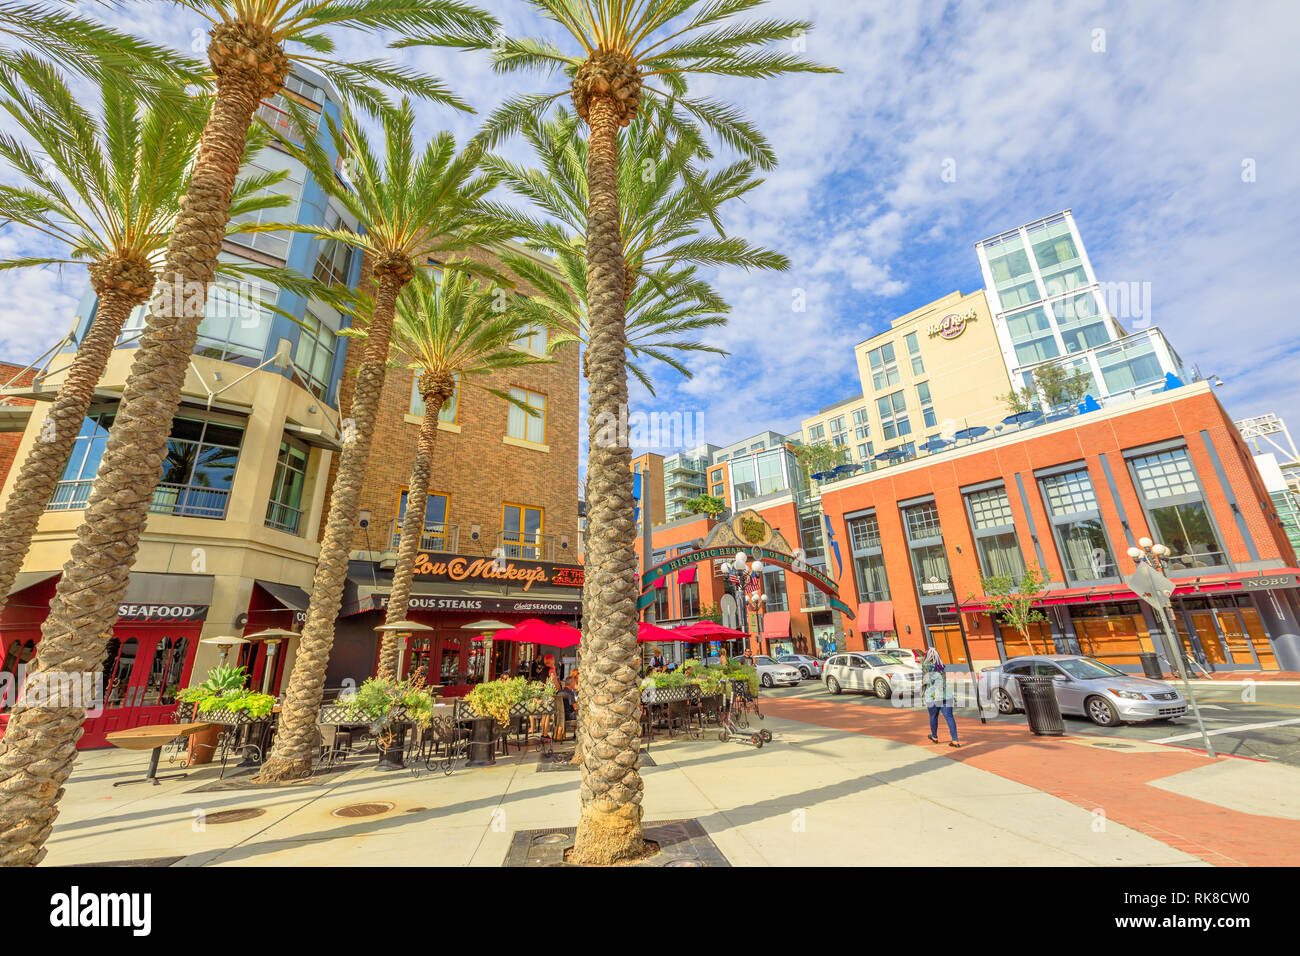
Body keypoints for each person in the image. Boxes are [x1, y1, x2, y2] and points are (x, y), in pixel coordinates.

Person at [922, 648, 960, 748]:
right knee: (950, 717)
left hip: (933, 697)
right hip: (946, 695)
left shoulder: (926, 665)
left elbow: (925, 681)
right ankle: (955, 740)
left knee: (933, 716)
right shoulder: (941, 666)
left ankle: (934, 737)